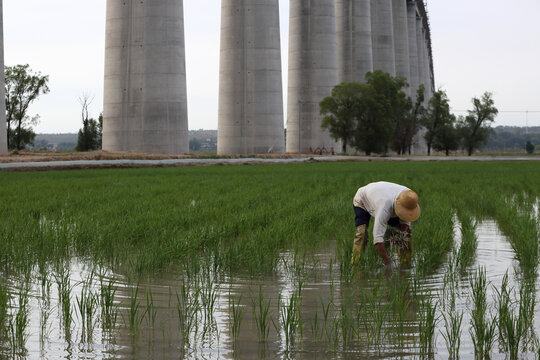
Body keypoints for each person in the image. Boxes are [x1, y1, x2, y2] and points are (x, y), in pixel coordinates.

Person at [351, 181, 421, 270]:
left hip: (387, 200)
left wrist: (401, 235)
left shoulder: (410, 197)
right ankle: (356, 266)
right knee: (362, 233)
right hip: (363, 200)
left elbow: (406, 220)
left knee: (406, 234)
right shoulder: (383, 208)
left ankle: (405, 265)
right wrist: (388, 262)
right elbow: (377, 239)